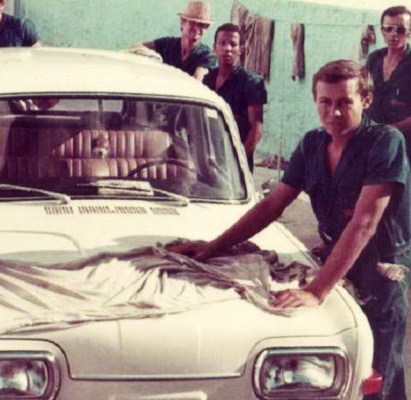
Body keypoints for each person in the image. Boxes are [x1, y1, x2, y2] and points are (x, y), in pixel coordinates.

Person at [169, 60, 411, 400]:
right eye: (325, 102)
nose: (333, 112)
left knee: (375, 371)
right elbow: (272, 204)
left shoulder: (385, 142)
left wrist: (316, 290)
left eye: (345, 102)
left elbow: (364, 223)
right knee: (328, 368)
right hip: (335, 258)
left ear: (366, 101)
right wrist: (214, 246)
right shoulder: (312, 144)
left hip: (380, 268)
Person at [204, 23, 267, 172]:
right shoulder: (208, 80)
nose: (227, 48)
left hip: (237, 164)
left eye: (233, 44)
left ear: (241, 50)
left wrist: (238, 162)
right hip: (208, 159)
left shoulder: (252, 83)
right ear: (214, 47)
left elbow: (256, 130)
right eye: (222, 43)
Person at [367, 5, 411, 160]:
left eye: (401, 30)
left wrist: (390, 130)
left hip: (404, 145)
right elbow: (362, 94)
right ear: (382, 31)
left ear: (409, 32)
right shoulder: (374, 58)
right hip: (371, 141)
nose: (394, 34)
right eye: (389, 28)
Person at [133, 0, 215, 81]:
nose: (197, 28)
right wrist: (152, 57)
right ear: (182, 22)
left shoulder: (207, 56)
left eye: (203, 25)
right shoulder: (167, 45)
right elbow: (136, 47)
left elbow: (198, 79)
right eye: (193, 23)